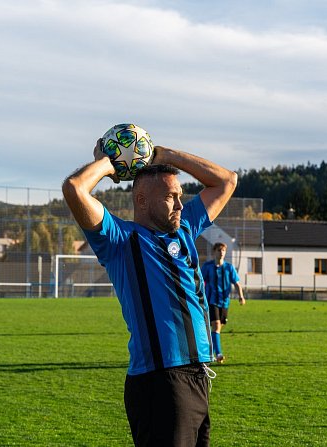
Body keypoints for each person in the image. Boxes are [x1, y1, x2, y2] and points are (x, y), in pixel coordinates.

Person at [62, 139, 238, 447]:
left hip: (198, 378)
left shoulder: (184, 229)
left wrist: (166, 155)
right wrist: (110, 162)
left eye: (181, 196)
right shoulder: (120, 240)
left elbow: (226, 181)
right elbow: (75, 188)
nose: (181, 205)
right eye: (171, 197)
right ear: (142, 201)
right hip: (160, 382)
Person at [201, 242, 246, 363]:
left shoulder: (229, 268)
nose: (221, 253)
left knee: (218, 327)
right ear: (214, 252)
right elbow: (199, 281)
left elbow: (236, 283)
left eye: (223, 251)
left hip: (225, 302)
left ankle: (209, 348)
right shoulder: (207, 266)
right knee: (216, 325)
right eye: (219, 250)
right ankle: (219, 354)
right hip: (211, 300)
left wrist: (241, 296)